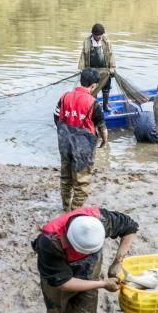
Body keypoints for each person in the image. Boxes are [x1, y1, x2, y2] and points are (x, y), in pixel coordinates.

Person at [54, 68, 109, 211]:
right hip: (83, 146)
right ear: (94, 85)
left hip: (65, 143)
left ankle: (65, 207)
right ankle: (75, 211)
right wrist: (104, 141)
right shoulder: (93, 103)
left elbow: (56, 117)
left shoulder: (64, 96)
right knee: (81, 182)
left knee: (66, 178)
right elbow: (102, 127)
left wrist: (65, 132)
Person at [78, 23, 116, 112]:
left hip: (105, 71)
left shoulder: (106, 41)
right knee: (92, 89)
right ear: (93, 34)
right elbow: (83, 56)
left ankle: (105, 106)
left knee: (106, 88)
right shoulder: (87, 42)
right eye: (97, 35)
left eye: (100, 35)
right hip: (92, 70)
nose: (99, 37)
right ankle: (94, 108)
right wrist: (82, 69)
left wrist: (112, 67)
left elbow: (111, 55)